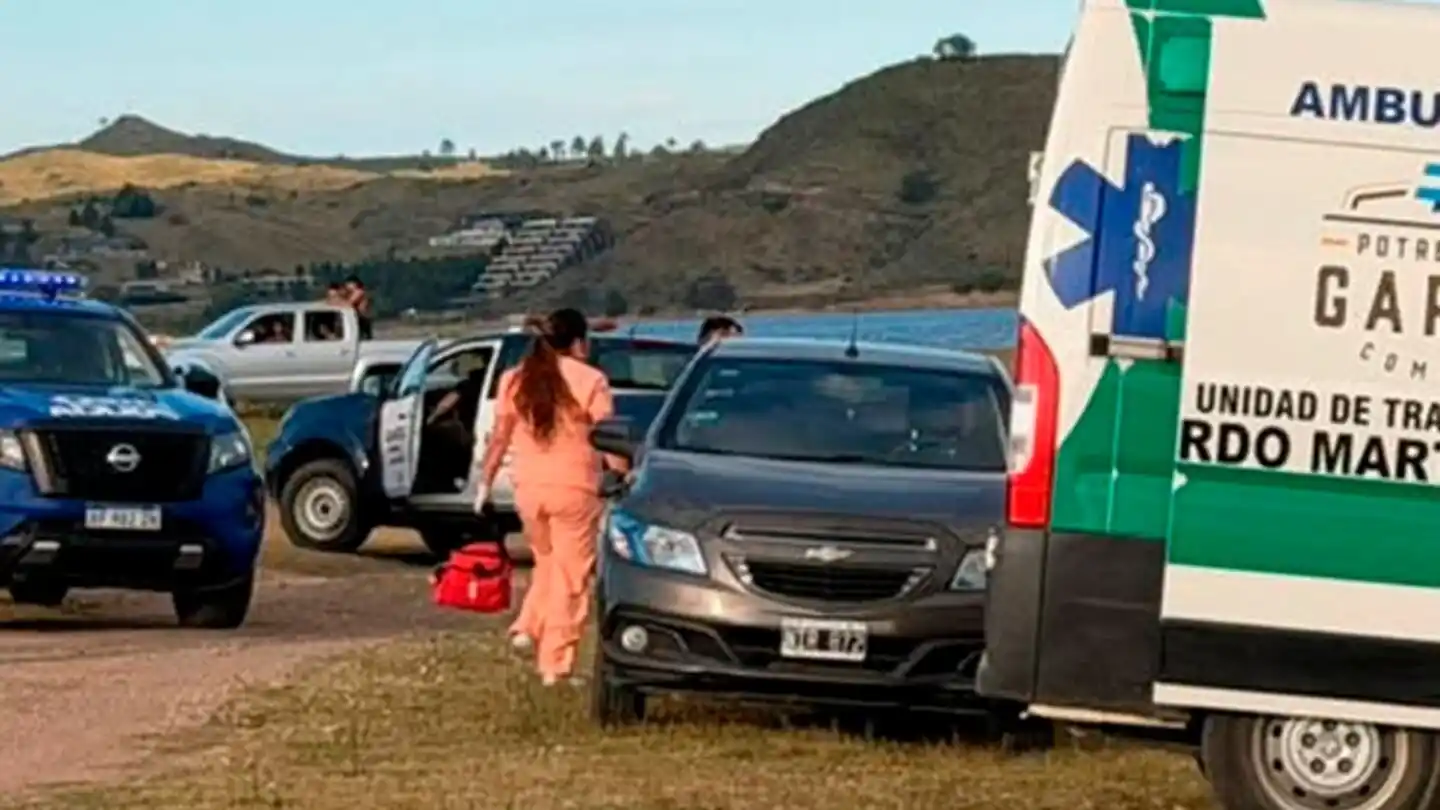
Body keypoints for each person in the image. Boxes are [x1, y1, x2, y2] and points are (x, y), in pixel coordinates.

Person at [475, 308, 622, 686]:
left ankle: (529, 625)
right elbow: (609, 437)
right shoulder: (590, 380)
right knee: (571, 578)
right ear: (577, 342)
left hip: (529, 488)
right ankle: (555, 664)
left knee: (548, 563)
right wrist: (623, 473)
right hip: (574, 488)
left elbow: (499, 437)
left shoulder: (513, 379)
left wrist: (485, 484)